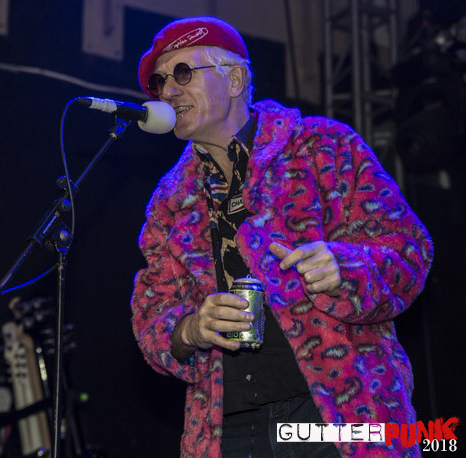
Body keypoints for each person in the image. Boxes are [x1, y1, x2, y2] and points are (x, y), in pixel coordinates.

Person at [130, 16, 433, 458]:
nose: (169, 91)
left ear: (235, 79)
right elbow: (151, 317)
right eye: (159, 82)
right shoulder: (170, 200)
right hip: (229, 431)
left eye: (182, 73)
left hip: (338, 414)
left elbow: (409, 250)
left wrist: (345, 266)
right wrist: (190, 330)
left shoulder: (323, 146)